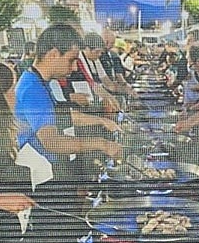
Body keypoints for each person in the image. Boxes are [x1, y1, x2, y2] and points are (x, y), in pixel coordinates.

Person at [13, 23, 121, 178]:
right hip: (40, 174)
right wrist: (102, 144)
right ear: (53, 54)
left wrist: (102, 121)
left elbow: (62, 115)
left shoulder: (40, 80)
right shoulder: (33, 89)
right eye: (71, 60)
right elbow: (52, 142)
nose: (75, 68)